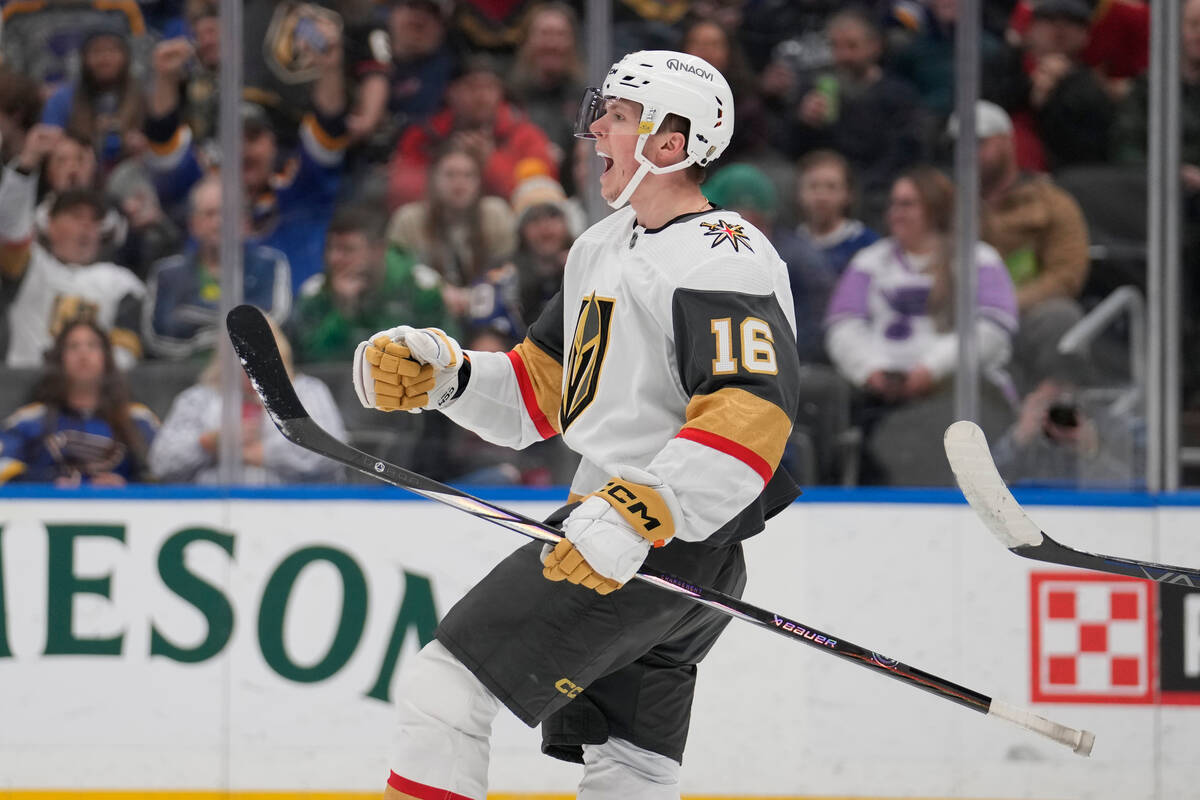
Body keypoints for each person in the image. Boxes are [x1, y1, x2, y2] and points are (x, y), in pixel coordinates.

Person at [353, 50, 802, 798]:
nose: (596, 130)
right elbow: (542, 393)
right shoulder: (601, 245)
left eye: (619, 117)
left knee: (446, 689)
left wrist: (646, 509)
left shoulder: (727, 257)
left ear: (670, 142)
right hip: (628, 536)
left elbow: (750, 410)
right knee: (630, 763)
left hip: (652, 540)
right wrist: (449, 377)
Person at [825, 167, 1019, 485]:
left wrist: (930, 370)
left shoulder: (977, 260)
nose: (895, 213)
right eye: (893, 204)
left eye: (907, 204)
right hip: (882, 393)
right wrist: (870, 370)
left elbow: (993, 330)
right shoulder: (870, 261)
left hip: (958, 393)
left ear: (934, 208)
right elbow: (842, 326)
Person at [143, 31, 348, 291]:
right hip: (206, 321)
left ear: (274, 145)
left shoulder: (300, 192)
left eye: (254, 137)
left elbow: (329, 134)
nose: (243, 149)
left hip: (295, 325)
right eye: (233, 138)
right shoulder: (198, 191)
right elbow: (164, 145)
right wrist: (165, 78)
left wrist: (329, 70)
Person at [956, 101, 1090, 392]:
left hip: (1026, 315)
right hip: (956, 316)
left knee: (1060, 316)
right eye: (959, 144)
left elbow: (1065, 277)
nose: (967, 153)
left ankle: (1055, 416)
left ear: (1006, 141)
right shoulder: (944, 204)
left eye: (979, 143)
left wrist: (1003, 306)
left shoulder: (1052, 203)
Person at [0, 125, 147, 369]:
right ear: (51, 225)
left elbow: (126, 356)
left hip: (96, 395)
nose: (86, 227)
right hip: (24, 391)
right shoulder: (28, 265)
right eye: (76, 216)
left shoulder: (123, 284)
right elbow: (9, 227)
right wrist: (26, 164)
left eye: (93, 220)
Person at [148, 321, 346, 484]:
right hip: (209, 510)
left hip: (295, 512)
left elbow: (330, 453)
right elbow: (160, 464)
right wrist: (207, 443)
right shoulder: (198, 399)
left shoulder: (306, 391)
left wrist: (259, 454)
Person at [781, 7, 925, 226]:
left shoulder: (898, 94)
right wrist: (803, 121)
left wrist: (858, 185)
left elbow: (904, 151)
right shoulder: (814, 88)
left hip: (876, 183)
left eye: (852, 46)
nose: (843, 56)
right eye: (835, 46)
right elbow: (791, 148)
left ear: (875, 46)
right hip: (823, 178)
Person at [143, 174, 292, 360]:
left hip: (251, 375)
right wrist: (231, 331)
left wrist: (191, 319)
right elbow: (159, 336)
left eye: (227, 213)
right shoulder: (166, 274)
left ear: (244, 222)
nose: (218, 223)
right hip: (185, 377)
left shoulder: (271, 265)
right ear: (193, 224)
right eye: (209, 214)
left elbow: (273, 323)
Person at [387, 55, 559, 209]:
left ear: (501, 93)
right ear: (451, 92)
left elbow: (538, 201)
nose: (481, 97)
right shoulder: (424, 135)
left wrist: (490, 163)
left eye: (490, 88)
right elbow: (401, 193)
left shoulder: (526, 136)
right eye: (471, 87)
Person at [289, 204, 455, 363]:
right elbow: (308, 362)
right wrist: (342, 311)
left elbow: (447, 350)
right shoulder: (315, 292)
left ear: (378, 251)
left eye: (347, 249)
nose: (335, 259)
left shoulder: (420, 287)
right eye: (331, 248)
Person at [0, 319, 158, 486]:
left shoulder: (139, 419)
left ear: (107, 358)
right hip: (47, 510)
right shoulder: (30, 420)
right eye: (73, 346)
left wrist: (128, 486)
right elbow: (4, 464)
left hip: (123, 511)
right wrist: (44, 481)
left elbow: (167, 473)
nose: (83, 353)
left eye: (92, 345)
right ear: (59, 360)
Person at [387, 144, 518, 321]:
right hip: (425, 312)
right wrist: (437, 289)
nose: (459, 183)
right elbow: (397, 269)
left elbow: (509, 266)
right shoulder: (408, 219)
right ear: (434, 179)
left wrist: (475, 294)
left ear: (479, 181)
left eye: (468, 175)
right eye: (450, 175)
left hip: (488, 310)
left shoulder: (495, 214)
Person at [40, 24, 147, 173]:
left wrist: (145, 146)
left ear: (126, 56)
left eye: (112, 50)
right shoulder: (62, 99)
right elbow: (48, 145)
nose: (105, 59)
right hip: (77, 179)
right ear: (83, 58)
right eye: (97, 51)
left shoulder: (145, 97)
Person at [795, 149, 881, 278]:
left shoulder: (869, 245)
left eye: (831, 187)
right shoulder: (789, 245)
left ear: (848, 194)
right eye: (813, 186)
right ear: (799, 193)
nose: (821, 196)